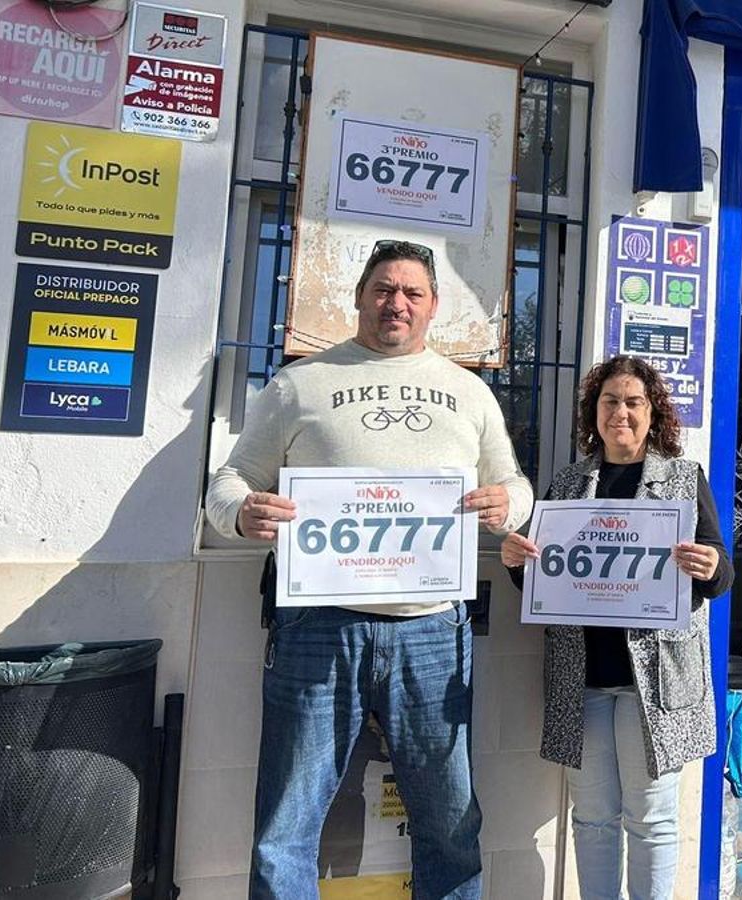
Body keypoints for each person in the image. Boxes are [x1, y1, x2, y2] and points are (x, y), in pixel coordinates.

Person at [204, 239, 534, 900]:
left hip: (435, 634)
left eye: (412, 292)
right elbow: (230, 481)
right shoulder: (299, 384)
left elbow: (515, 485)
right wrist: (242, 515)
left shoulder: (469, 393)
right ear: (358, 297)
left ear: (433, 306)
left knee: (450, 825)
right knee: (285, 828)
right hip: (317, 629)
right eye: (384, 289)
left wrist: (509, 505)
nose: (397, 303)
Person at [501, 356, 733, 900]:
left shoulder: (682, 478)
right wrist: (517, 561)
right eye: (610, 401)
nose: (620, 413)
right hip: (582, 680)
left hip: (653, 683)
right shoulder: (567, 482)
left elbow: (720, 567)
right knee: (592, 817)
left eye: (633, 402)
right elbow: (543, 581)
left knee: (651, 819)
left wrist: (711, 567)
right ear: (594, 410)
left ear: (653, 413)